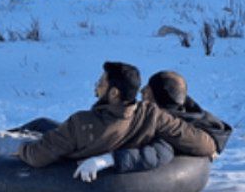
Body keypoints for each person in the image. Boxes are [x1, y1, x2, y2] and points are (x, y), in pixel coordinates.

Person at [0, 62, 216, 174]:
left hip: (63, 156)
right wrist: (210, 149)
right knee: (38, 123)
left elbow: (37, 155)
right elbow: (202, 142)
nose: (97, 84)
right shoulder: (151, 115)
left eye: (102, 81)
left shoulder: (84, 123)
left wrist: (17, 151)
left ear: (112, 93)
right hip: (80, 144)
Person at [74, 70, 233, 181]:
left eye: (147, 91)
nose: (141, 92)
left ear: (157, 98)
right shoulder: (176, 112)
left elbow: (155, 154)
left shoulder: (163, 127)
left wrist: (107, 160)